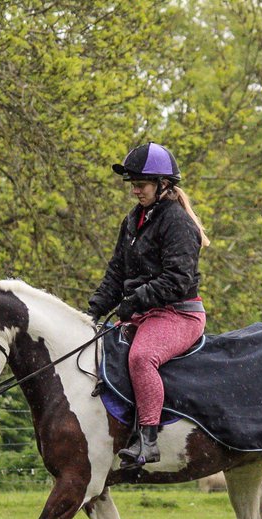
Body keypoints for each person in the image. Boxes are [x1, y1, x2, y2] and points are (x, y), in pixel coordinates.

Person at [87, 142, 210, 466]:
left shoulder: (177, 222)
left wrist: (133, 302)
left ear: (163, 184)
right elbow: (116, 273)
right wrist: (93, 311)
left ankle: (148, 440)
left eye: (141, 184)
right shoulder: (133, 220)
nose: (135, 190)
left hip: (178, 314)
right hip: (143, 313)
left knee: (142, 358)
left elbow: (177, 279)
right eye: (133, 184)